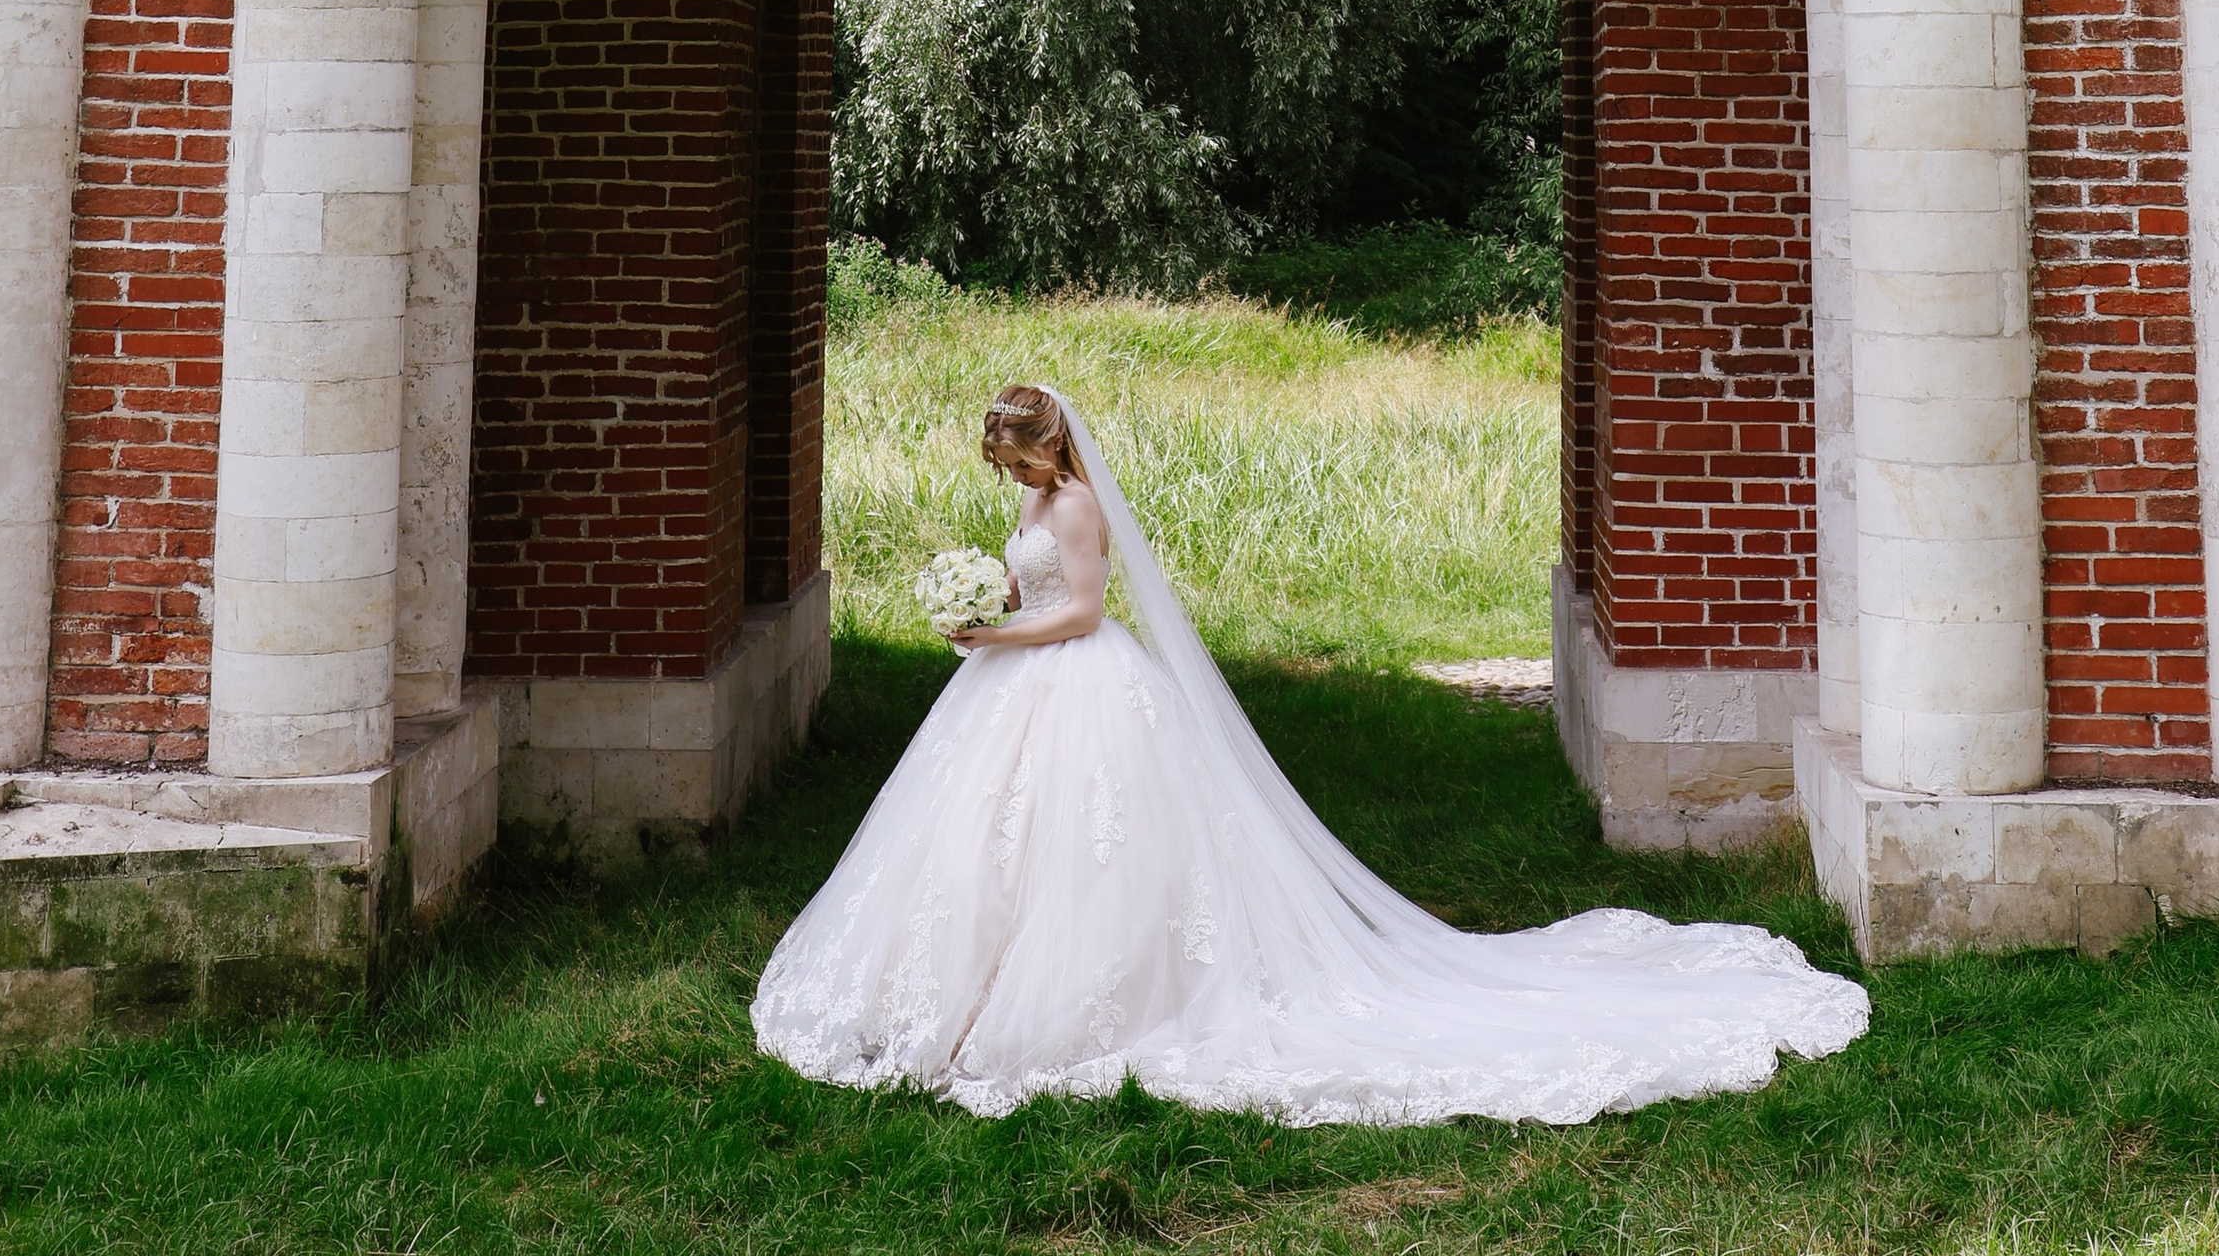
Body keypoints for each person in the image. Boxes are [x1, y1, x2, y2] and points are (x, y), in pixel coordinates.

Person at [753, 382, 1868, 1124]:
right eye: (1010, 468)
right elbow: (1037, 584)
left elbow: (1085, 615)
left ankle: (1068, 1008)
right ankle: (958, 998)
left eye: (1021, 460)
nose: (1017, 479)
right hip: (1015, 687)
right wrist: (994, 598)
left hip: (1072, 680)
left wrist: (993, 629)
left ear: (1050, 448)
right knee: (983, 849)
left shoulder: (1082, 508)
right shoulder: (1047, 500)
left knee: (1090, 852)